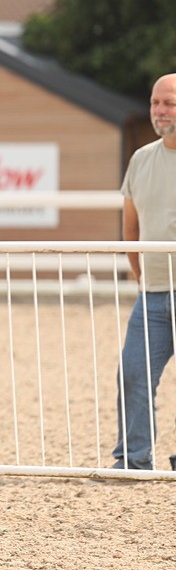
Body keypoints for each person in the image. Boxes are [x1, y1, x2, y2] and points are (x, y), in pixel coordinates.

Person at [112, 72, 176, 472]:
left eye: (168, 103)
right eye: (155, 103)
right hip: (152, 292)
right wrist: (140, 276)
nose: (159, 110)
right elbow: (131, 229)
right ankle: (134, 459)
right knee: (133, 374)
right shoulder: (141, 159)